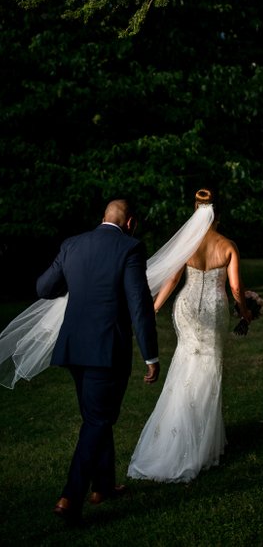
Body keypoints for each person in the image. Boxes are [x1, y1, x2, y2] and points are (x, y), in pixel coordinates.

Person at [35, 199, 159, 522]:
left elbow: (44, 287)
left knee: (96, 416)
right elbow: (139, 305)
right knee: (98, 421)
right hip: (107, 351)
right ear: (130, 222)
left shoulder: (72, 244)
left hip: (74, 348)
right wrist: (151, 355)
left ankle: (102, 486)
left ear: (102, 216)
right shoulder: (130, 249)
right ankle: (69, 497)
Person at [127, 188, 251, 483]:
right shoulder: (227, 245)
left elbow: (170, 280)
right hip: (214, 310)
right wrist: (245, 312)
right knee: (209, 369)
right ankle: (201, 444)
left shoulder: (187, 244)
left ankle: (174, 436)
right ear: (217, 216)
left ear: (196, 213)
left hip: (186, 309)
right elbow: (235, 289)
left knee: (184, 364)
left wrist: (153, 308)